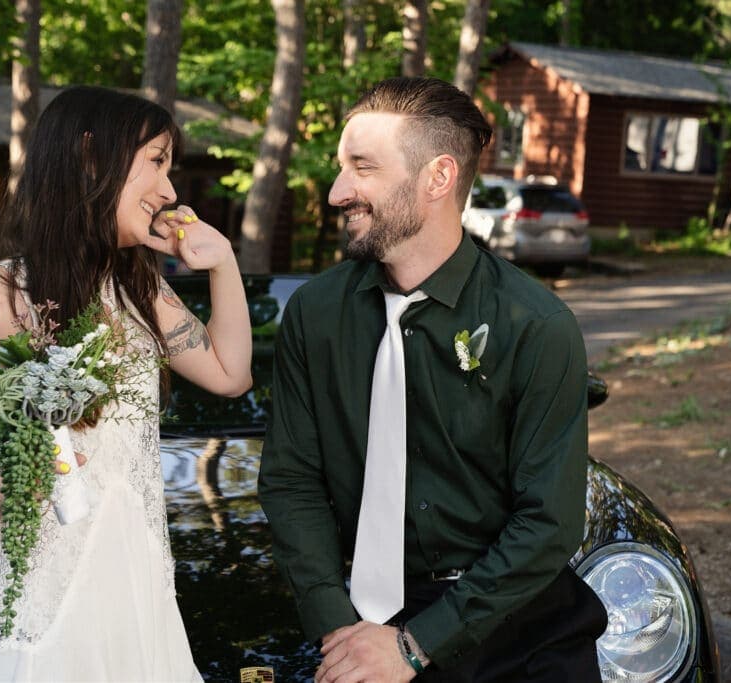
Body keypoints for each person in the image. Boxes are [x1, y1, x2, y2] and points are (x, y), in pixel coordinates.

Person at [0, 85, 252, 681]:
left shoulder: (141, 292)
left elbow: (230, 372)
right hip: (20, 613)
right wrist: (34, 483)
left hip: (130, 598)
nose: (169, 191)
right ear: (91, 158)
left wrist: (223, 264)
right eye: (157, 161)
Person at [258, 77, 607, 682]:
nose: (339, 191)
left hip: (515, 625)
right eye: (342, 168)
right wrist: (339, 627)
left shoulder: (535, 324)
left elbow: (549, 523)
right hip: (358, 622)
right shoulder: (315, 315)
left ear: (437, 178)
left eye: (362, 168)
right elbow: (292, 479)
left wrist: (416, 647)